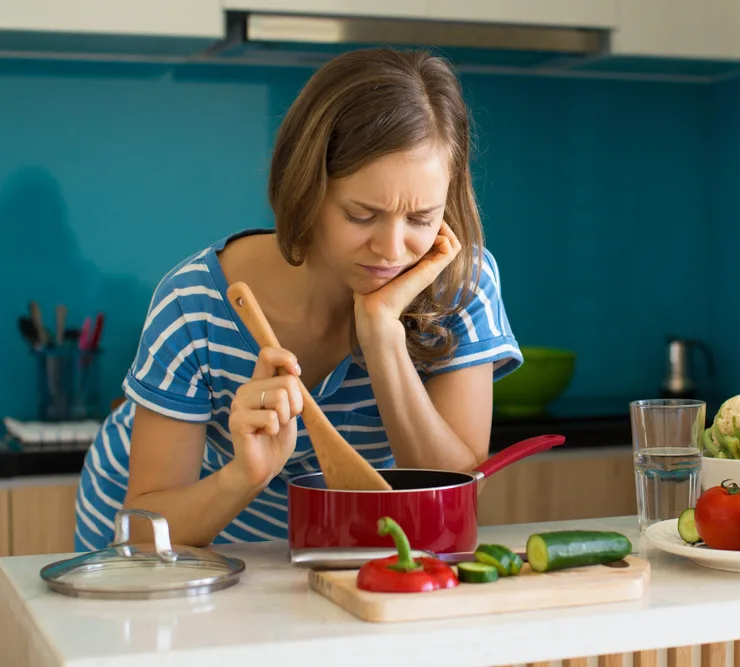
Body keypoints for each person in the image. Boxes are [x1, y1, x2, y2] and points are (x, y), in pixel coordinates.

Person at [73, 47, 523, 550]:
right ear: (304, 189)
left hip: (334, 545)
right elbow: (142, 533)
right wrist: (244, 474)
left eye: (421, 218)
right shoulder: (194, 303)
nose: (392, 250)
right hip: (180, 540)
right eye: (361, 214)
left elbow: (453, 490)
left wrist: (382, 337)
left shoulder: (459, 285)